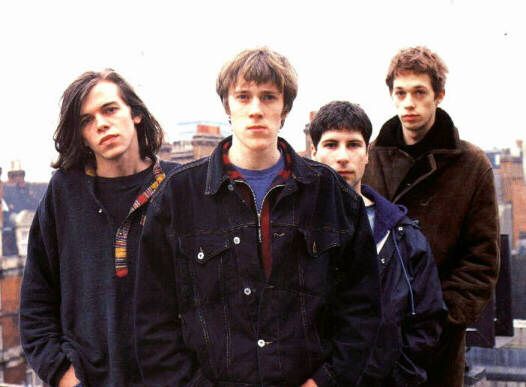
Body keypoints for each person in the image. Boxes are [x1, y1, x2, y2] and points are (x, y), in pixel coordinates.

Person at [134, 47, 381, 386]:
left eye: (268, 97)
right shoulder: (179, 195)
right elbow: (153, 319)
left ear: (285, 109)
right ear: (227, 106)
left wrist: (325, 381)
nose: (255, 110)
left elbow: (361, 309)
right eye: (243, 97)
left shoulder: (331, 194)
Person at [19, 69, 178, 387]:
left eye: (109, 109)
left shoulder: (180, 186)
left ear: (134, 114)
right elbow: (36, 303)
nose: (101, 124)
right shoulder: (64, 193)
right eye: (86, 120)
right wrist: (65, 377)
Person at [363, 46, 500, 387]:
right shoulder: (369, 157)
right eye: (401, 93)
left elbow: (482, 260)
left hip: (439, 347)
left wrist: (439, 319)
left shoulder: (472, 165)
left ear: (439, 95)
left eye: (419, 92)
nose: (409, 102)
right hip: (373, 341)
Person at [309, 100, 447, 386]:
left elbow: (426, 322)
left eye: (354, 144)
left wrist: (399, 378)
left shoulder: (403, 237)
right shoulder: (289, 230)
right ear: (314, 153)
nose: (343, 157)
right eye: (331, 144)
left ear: (367, 153)